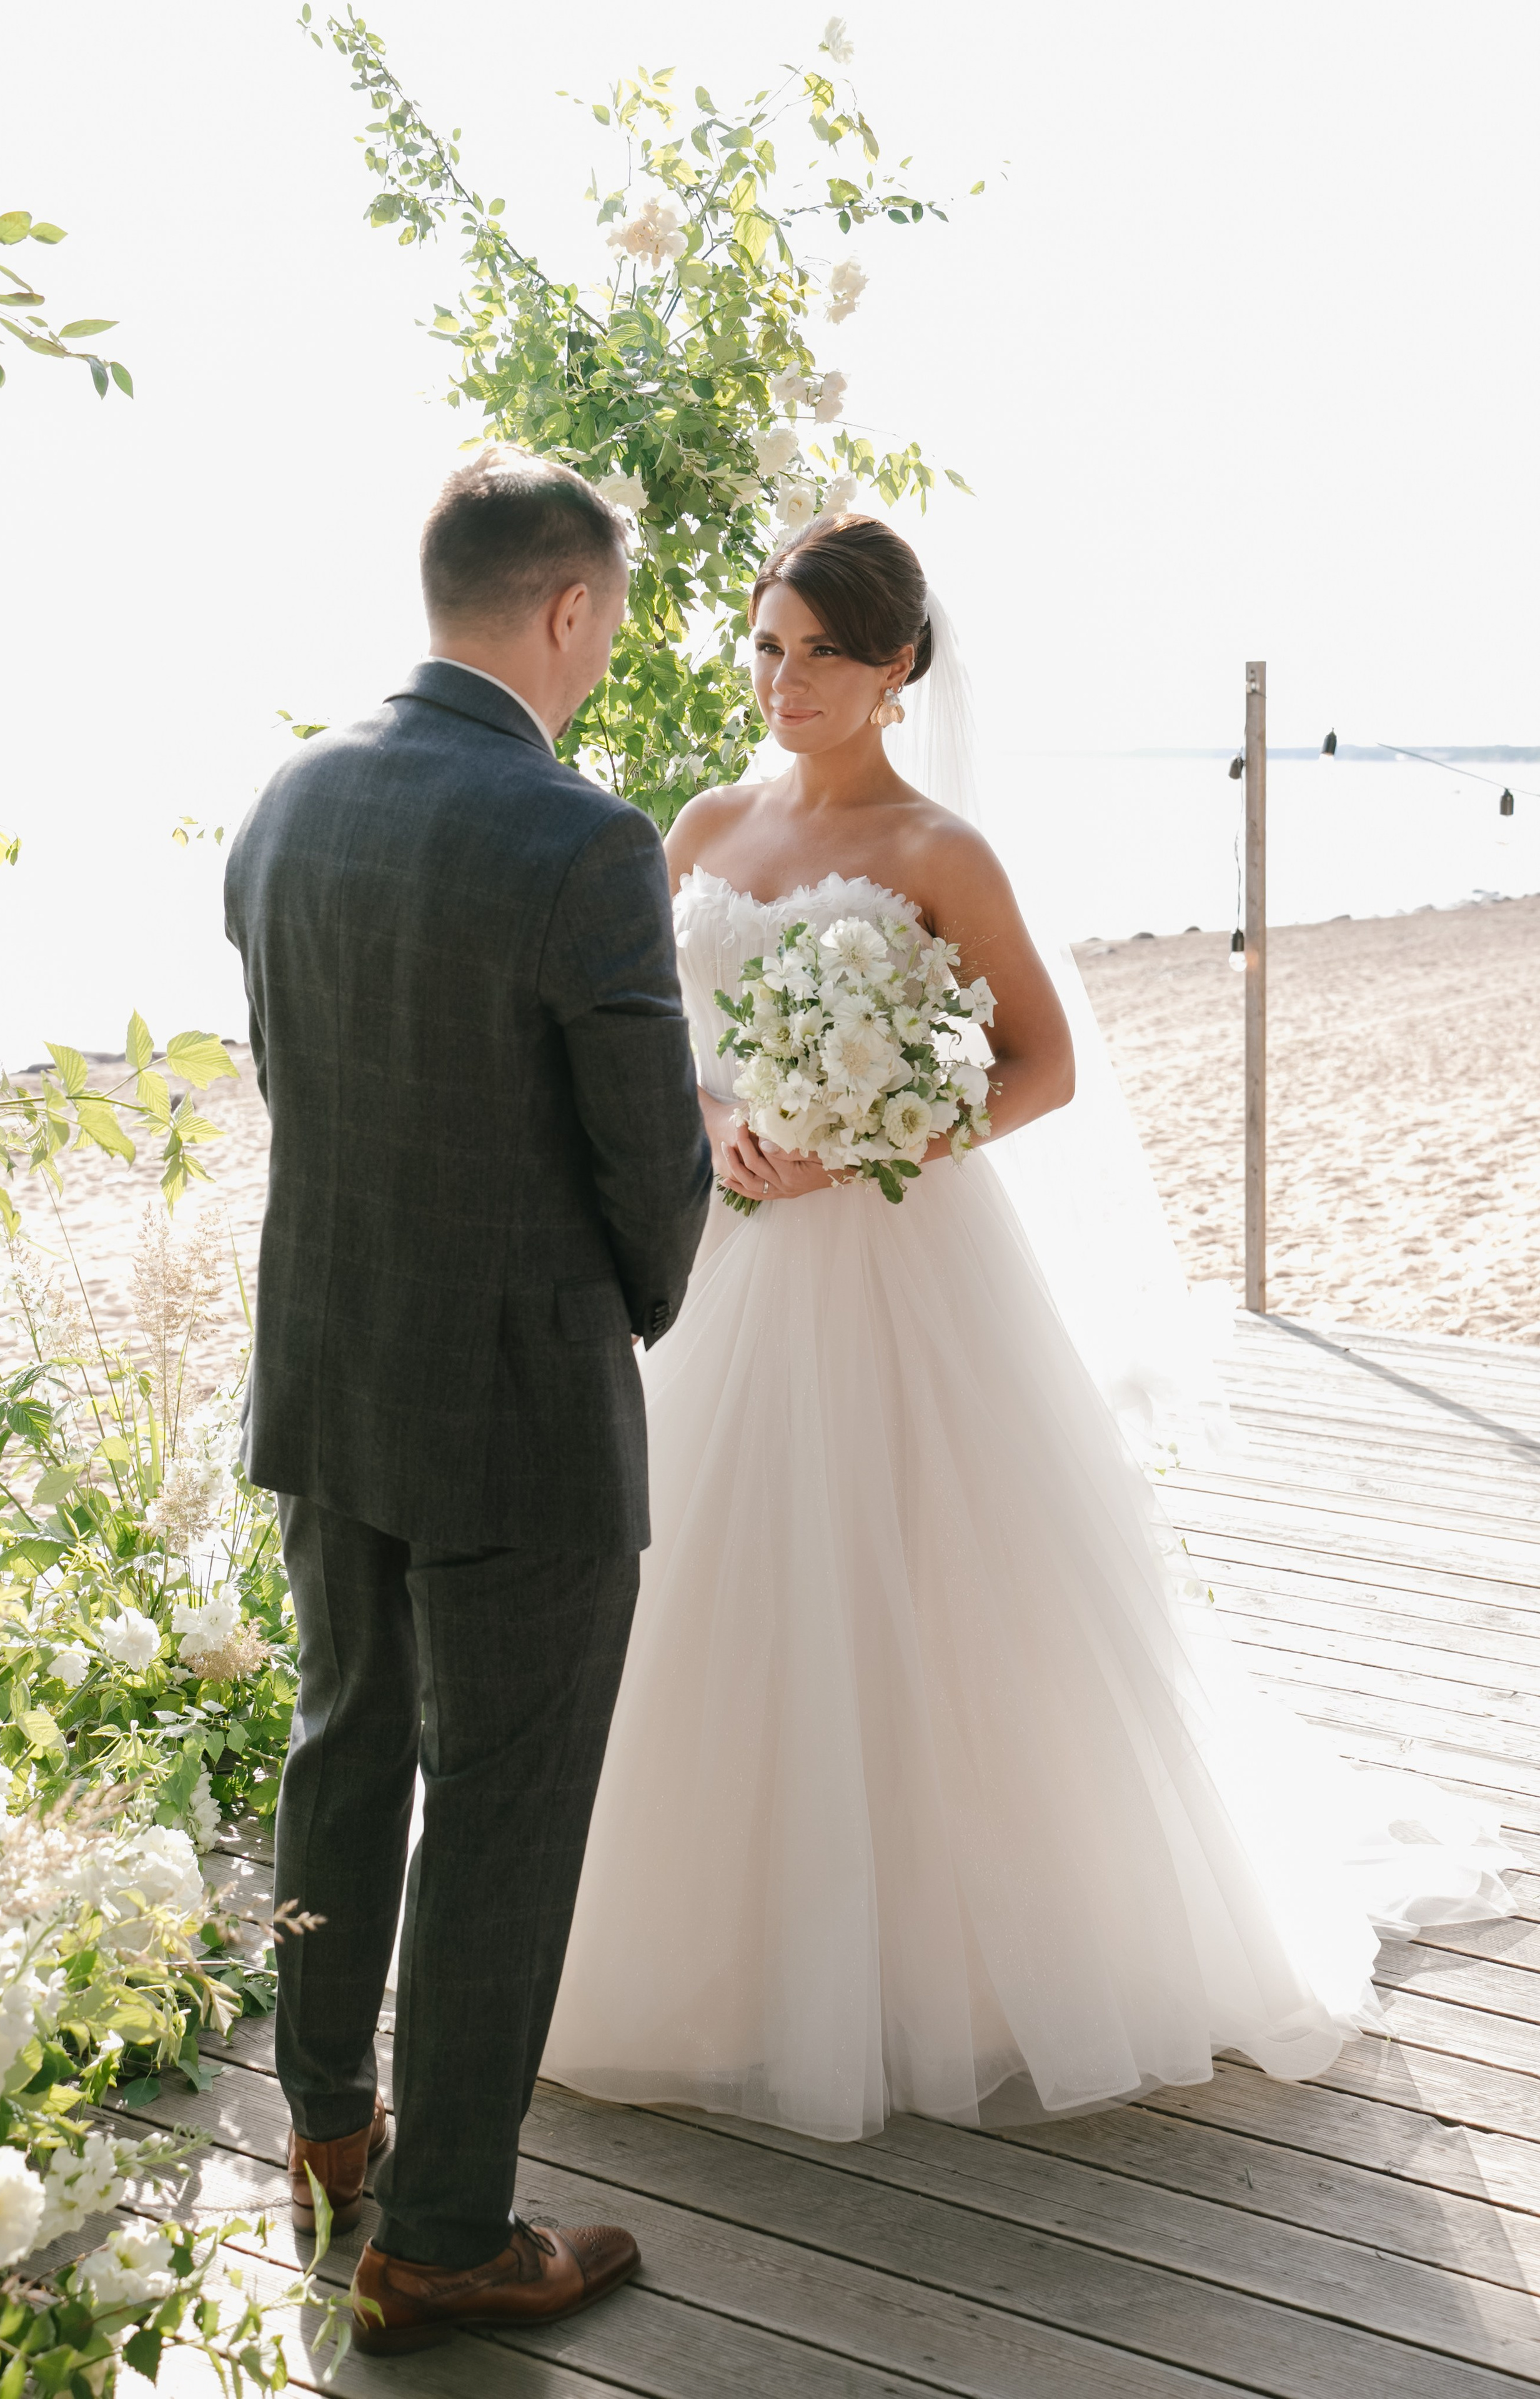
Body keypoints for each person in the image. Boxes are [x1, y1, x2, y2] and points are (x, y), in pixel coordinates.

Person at [540, 512, 1516, 2143]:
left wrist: (866, 1138)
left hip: (899, 1259)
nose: (787, 681)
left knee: (923, 1575)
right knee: (692, 1568)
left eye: (825, 655)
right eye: (769, 646)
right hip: (729, 1250)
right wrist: (718, 1126)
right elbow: (654, 1035)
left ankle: (953, 1947)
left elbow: (1039, 1067)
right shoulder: (704, 822)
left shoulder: (941, 853)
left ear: (899, 669)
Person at [223, 448, 711, 2350]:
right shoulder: (584, 840)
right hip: (517, 1397)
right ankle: (446, 2234)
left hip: (332, 1362)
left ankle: (334, 2131)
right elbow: (648, 1164)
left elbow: (295, 1071)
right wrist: (641, 1315)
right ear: (570, 611)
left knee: (344, 1739)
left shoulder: (289, 798)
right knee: (505, 1806)